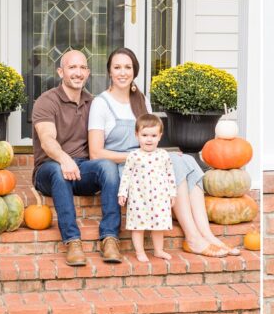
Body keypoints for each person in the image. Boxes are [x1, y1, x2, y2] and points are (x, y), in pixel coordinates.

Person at [88, 48, 238, 257]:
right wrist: (140, 157)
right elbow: (95, 153)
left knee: (184, 160)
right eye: (117, 67)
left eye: (128, 67)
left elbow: (149, 137)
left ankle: (207, 235)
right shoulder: (101, 103)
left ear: (135, 71)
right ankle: (193, 238)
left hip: (149, 160)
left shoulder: (141, 100)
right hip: (125, 166)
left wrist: (160, 154)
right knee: (173, 164)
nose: (123, 72)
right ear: (110, 72)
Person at [32, 50, 123, 266]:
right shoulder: (47, 101)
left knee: (107, 167)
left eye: (83, 68)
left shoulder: (94, 103)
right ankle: (72, 241)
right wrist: (64, 159)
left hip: (81, 170)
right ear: (61, 71)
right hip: (48, 168)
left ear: (88, 73)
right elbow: (47, 139)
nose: (78, 73)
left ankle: (110, 238)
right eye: (72, 67)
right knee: (58, 171)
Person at [118, 114, 177, 262]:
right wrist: (122, 193)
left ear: (160, 136)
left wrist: (172, 194)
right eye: (144, 135)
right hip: (139, 197)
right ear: (137, 135)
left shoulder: (164, 155)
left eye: (153, 135)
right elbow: (126, 175)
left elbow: (170, 175)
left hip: (159, 198)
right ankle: (139, 251)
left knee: (158, 226)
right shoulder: (133, 155)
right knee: (138, 226)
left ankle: (158, 250)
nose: (149, 139)